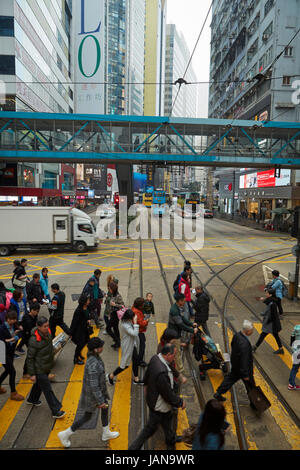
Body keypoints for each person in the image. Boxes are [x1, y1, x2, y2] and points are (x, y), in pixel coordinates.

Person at [58, 337, 119, 447]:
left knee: (106, 408)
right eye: (100, 346)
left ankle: (106, 432)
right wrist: (100, 401)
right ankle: (65, 434)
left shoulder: (94, 357)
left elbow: (96, 377)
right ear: (96, 349)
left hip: (99, 393)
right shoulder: (92, 363)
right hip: (93, 396)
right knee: (87, 416)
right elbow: (94, 385)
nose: (102, 347)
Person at [128, 343, 186, 450]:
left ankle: (170, 438)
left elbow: (147, 373)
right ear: (168, 354)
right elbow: (167, 394)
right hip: (158, 405)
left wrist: (146, 385)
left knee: (167, 420)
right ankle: (133, 448)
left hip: (154, 399)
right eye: (174, 355)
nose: (175, 358)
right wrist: (180, 402)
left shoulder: (156, 358)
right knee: (149, 429)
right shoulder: (162, 373)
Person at [26, 316, 65, 418]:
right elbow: (30, 358)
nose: (47, 328)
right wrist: (32, 374)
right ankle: (56, 410)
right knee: (48, 390)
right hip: (39, 369)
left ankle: (32, 399)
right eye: (44, 326)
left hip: (46, 366)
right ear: (38, 327)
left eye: (47, 326)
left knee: (39, 385)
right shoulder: (34, 340)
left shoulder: (47, 333)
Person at [214, 320, 255, 403]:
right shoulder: (245, 344)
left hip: (236, 365)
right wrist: (245, 374)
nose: (252, 331)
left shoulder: (237, 335)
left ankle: (218, 393)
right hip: (244, 369)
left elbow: (233, 345)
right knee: (251, 386)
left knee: (230, 379)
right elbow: (244, 360)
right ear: (248, 331)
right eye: (252, 330)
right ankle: (255, 402)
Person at [107, 308, 142, 385]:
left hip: (132, 344)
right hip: (127, 346)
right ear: (128, 318)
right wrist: (135, 323)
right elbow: (134, 333)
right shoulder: (125, 325)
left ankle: (136, 378)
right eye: (132, 317)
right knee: (124, 365)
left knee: (135, 360)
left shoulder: (126, 321)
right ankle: (111, 376)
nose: (133, 318)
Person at [168, 293, 198, 377]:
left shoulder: (178, 308)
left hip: (176, 332)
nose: (185, 302)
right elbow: (180, 324)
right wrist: (192, 330)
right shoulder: (174, 310)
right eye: (184, 301)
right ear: (179, 301)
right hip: (174, 334)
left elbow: (183, 319)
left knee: (175, 349)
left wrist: (191, 324)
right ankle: (179, 370)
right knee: (177, 352)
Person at [0, 310, 24, 401]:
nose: (13, 321)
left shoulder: (15, 325)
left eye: (15, 319)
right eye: (11, 319)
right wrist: (13, 338)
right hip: (2, 351)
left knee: (7, 370)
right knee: (12, 372)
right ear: (7, 319)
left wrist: (16, 335)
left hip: (10, 351)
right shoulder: (1, 328)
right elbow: (2, 341)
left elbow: (21, 332)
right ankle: (13, 393)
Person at [252, 288, 283, 355]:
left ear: (270, 295)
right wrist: (264, 299)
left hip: (271, 324)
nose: (266, 294)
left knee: (263, 335)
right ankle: (281, 349)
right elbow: (268, 302)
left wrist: (267, 320)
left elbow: (273, 314)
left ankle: (254, 347)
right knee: (275, 335)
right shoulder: (272, 301)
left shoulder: (272, 304)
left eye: (267, 293)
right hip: (272, 323)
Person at [70, 294, 92, 365]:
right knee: (80, 344)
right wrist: (71, 333)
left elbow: (88, 315)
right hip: (79, 331)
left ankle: (79, 353)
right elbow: (74, 322)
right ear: (84, 301)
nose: (89, 301)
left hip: (85, 329)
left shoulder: (87, 307)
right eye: (88, 300)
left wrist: (88, 319)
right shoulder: (78, 311)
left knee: (85, 342)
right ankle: (75, 358)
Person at [20, 302, 40, 378]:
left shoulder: (34, 316)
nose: (37, 313)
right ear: (31, 310)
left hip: (32, 338)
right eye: (36, 311)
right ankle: (25, 372)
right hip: (27, 338)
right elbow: (32, 330)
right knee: (31, 355)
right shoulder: (27, 319)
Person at [106, 281, 124, 349]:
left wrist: (115, 304)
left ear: (112, 289)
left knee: (108, 329)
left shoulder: (118, 296)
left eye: (109, 288)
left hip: (116, 315)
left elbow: (122, 306)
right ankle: (117, 341)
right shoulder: (113, 294)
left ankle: (117, 341)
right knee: (115, 328)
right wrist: (110, 313)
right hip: (113, 313)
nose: (108, 289)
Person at [132, 297, 149, 367]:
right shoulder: (136, 312)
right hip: (139, 332)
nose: (143, 306)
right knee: (142, 346)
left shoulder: (134, 308)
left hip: (137, 331)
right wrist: (146, 321)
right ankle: (139, 361)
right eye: (142, 305)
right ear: (139, 306)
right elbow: (141, 323)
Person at [288, 325, 300, 390]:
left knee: (294, 368)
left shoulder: (296, 327)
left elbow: (292, 338)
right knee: (295, 368)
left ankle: (291, 384)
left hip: (295, 352)